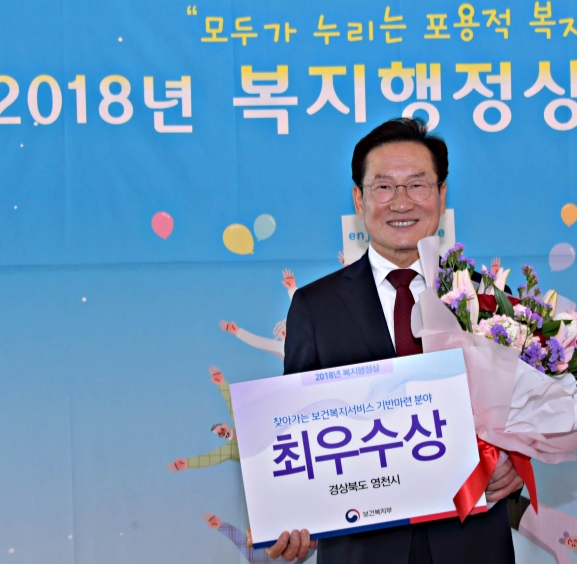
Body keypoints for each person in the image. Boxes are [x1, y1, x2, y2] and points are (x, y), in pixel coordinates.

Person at [270, 118, 523, 564]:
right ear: (359, 199)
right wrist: (295, 510)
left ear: (441, 195)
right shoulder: (315, 307)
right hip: (363, 549)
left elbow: (521, 414)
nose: (401, 202)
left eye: (417, 185)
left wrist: (518, 464)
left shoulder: (488, 299)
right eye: (384, 187)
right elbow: (299, 426)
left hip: (473, 543)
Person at [167, 366, 239, 472]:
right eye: (220, 434)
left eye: (222, 430)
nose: (223, 433)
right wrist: (187, 463)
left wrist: (222, 384)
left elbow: (232, 404)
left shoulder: (240, 423)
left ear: (225, 425)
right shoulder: (231, 448)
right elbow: (210, 458)